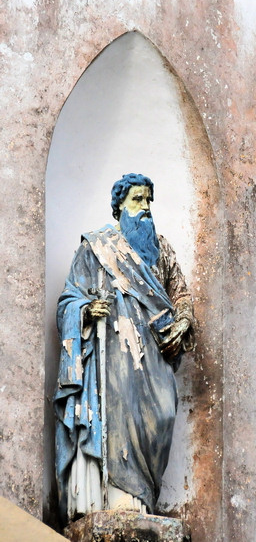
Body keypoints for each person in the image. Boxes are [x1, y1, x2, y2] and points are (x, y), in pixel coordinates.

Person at [54, 173, 195, 524]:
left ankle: (144, 496)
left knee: (161, 414)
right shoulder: (97, 248)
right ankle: (117, 497)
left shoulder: (162, 249)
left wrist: (184, 321)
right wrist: (85, 310)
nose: (145, 208)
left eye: (149, 200)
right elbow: (69, 299)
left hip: (155, 357)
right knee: (118, 414)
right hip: (112, 355)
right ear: (119, 207)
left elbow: (180, 295)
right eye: (137, 200)